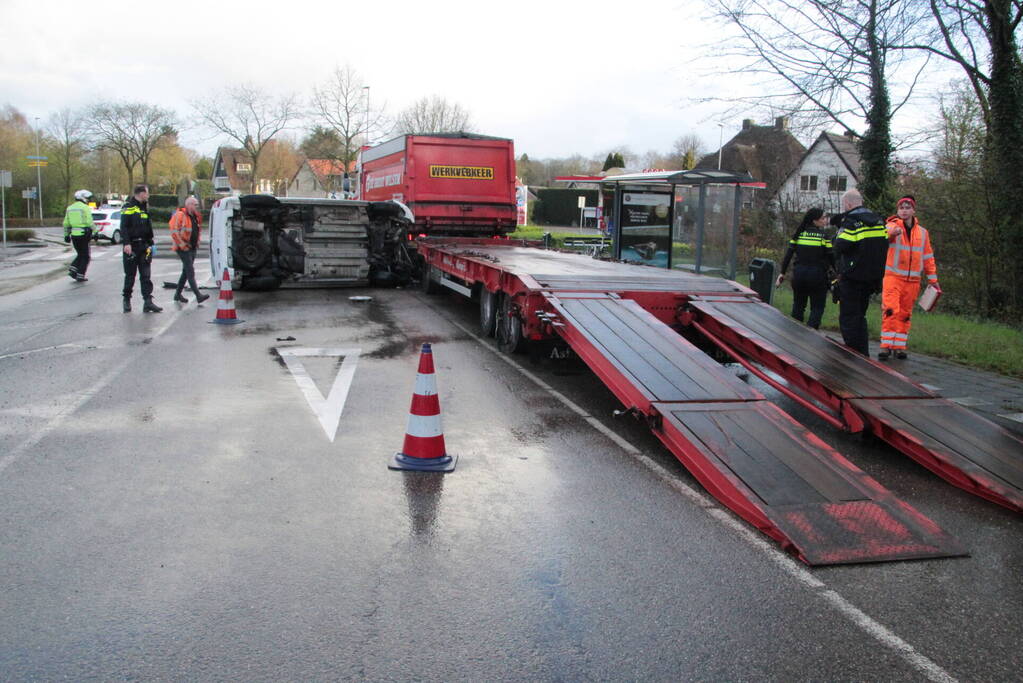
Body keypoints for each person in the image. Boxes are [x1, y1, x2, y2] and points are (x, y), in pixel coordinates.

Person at [878, 195, 940, 360]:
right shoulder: (892, 225)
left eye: (907, 208)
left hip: (913, 281)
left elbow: (928, 257)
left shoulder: (923, 233)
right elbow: (887, 232)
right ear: (898, 211)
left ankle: (899, 346)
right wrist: (894, 231)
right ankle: (886, 346)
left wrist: (933, 280)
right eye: (901, 208)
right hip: (893, 277)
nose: (904, 211)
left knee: (905, 314)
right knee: (891, 310)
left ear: (913, 210)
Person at [832, 188, 888, 356]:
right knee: (860, 315)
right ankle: (863, 352)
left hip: (853, 276)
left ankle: (853, 354)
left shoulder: (851, 222)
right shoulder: (879, 221)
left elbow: (840, 246)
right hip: (872, 277)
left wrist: (835, 237)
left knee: (849, 317)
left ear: (848, 204)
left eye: (844, 205)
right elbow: (883, 246)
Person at [776, 207, 834, 329]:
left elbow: (788, 254)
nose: (825, 220)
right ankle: (811, 333)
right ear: (815, 220)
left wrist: (782, 273)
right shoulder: (823, 236)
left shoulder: (799, 234)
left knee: (798, 305)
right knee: (817, 307)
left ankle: (795, 332)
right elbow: (831, 256)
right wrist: (838, 272)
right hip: (817, 277)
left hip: (799, 275)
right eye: (823, 218)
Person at [121, 184, 162, 313]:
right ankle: (126, 300)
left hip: (144, 246)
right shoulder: (128, 207)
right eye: (147, 193)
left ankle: (148, 302)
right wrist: (126, 243)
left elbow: (148, 228)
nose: (148, 196)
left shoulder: (144, 208)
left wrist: (151, 243)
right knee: (130, 276)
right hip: (132, 246)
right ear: (141, 193)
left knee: (146, 276)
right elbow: (124, 227)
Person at [168, 196, 210, 305]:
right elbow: (174, 231)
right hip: (184, 248)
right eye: (195, 204)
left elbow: (196, 231)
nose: (197, 207)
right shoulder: (180, 215)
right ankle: (198, 295)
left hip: (192, 247)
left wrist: (197, 243)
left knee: (186, 272)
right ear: (189, 205)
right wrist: (182, 245)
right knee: (190, 271)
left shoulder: (195, 216)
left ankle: (177, 294)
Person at [63, 189, 95, 282]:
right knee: (86, 256)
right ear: (83, 197)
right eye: (87, 198)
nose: (88, 200)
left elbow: (66, 223)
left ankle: (73, 270)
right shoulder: (85, 208)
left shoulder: (69, 208)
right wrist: (96, 232)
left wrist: (66, 235)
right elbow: (89, 222)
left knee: (80, 254)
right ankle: (80, 274)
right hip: (84, 235)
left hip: (74, 235)